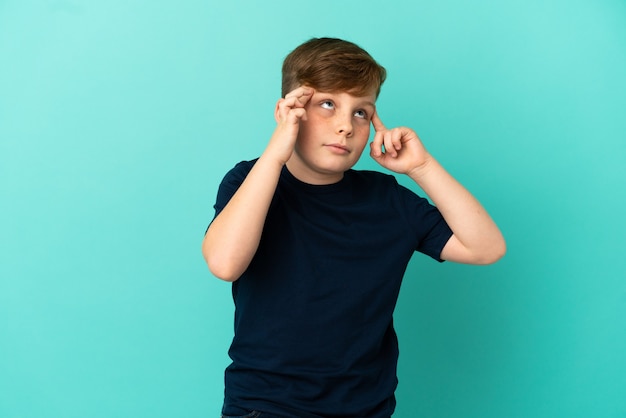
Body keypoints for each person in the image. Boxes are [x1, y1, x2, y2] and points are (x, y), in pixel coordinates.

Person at [202, 37, 506, 418]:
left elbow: (486, 248)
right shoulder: (250, 179)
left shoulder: (387, 199)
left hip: (365, 408)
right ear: (289, 110)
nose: (345, 126)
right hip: (265, 405)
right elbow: (225, 263)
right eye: (327, 104)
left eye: (361, 112)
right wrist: (275, 152)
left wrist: (421, 168)